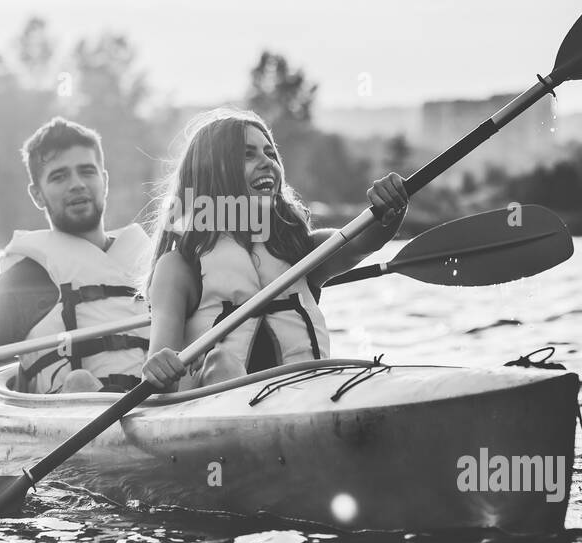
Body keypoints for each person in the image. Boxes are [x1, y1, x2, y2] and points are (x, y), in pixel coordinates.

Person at [140, 110, 407, 392]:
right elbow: (161, 370)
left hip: (305, 399)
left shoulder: (299, 249)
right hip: (214, 405)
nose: (267, 162)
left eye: (269, 153)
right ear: (211, 172)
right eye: (248, 154)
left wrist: (390, 210)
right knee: (222, 362)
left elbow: (361, 243)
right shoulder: (180, 266)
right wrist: (160, 369)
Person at [0, 117, 150, 396]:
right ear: (37, 195)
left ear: (104, 181)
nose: (77, 184)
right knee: (79, 381)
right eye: (59, 176)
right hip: (75, 412)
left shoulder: (155, 264)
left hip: (160, 404)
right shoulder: (24, 281)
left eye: (87, 172)